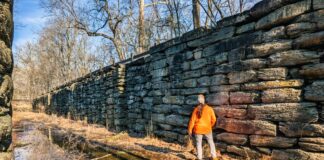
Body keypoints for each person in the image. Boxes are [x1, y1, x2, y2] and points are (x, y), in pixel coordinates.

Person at [188, 94, 218, 160]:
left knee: (199, 144)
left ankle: (199, 158)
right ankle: (214, 157)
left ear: (198, 101)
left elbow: (192, 121)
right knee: (211, 143)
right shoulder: (209, 109)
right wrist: (210, 125)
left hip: (198, 129)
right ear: (204, 100)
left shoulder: (196, 109)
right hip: (207, 129)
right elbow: (214, 119)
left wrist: (190, 130)